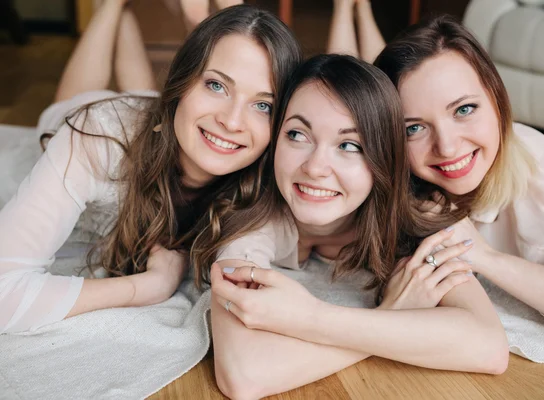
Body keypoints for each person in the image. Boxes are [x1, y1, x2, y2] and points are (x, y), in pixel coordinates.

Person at [205, 54, 508, 400]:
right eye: (297, 135)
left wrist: (313, 318)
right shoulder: (250, 214)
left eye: (349, 146)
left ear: (384, 160)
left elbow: (488, 345)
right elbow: (244, 377)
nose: (316, 167)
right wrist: (391, 315)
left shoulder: (416, 213)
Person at [0, 2, 302, 334]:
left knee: (149, 105)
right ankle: (112, 6)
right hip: (98, 122)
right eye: (216, 85)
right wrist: (149, 286)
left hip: (158, 121)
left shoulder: (268, 181)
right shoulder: (96, 137)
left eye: (262, 105)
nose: (231, 121)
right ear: (181, 81)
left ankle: (133, 18)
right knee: (70, 104)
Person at [373, 15, 544, 347]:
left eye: (464, 110)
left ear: (497, 99)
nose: (447, 147)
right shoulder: (403, 174)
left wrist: (483, 257)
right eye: (414, 128)